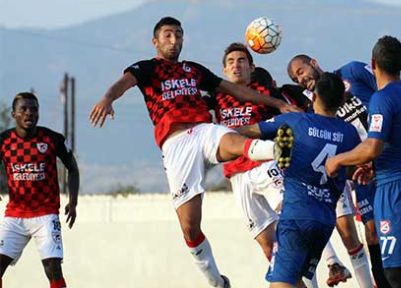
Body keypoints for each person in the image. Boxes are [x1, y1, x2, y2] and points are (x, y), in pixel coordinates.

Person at [89, 17, 295, 288]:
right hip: (175, 145)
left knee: (230, 139)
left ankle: (276, 148)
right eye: (167, 35)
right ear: (156, 41)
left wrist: (277, 104)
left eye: (178, 35)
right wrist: (107, 98)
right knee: (190, 227)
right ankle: (217, 281)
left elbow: (235, 90)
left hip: (202, 129)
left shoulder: (193, 70)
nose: (174, 41)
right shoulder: (147, 68)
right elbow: (124, 83)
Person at [212, 42, 350, 287]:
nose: (237, 65)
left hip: (264, 164)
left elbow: (294, 109)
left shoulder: (265, 91)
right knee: (268, 243)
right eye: (231, 61)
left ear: (252, 67)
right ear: (224, 71)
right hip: (237, 176)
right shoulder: (216, 96)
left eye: (242, 60)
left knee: (291, 208)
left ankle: (332, 261)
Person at [325, 35, 401, 288]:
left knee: (395, 273)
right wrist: (378, 164)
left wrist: (338, 160)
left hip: (394, 190)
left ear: (373, 63)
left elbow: (372, 147)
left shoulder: (381, 99)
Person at [238, 72, 361, 288]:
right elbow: (349, 171)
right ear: (342, 101)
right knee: (295, 280)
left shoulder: (295, 122)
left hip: (296, 217)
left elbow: (251, 131)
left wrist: (218, 135)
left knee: (280, 283)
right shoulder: (350, 133)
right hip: (324, 221)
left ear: (313, 98)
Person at [287, 54, 382, 288]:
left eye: (300, 71)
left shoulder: (353, 71)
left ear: (314, 63)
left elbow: (384, 90)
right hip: (358, 169)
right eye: (295, 77)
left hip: (384, 157)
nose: (300, 79)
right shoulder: (315, 108)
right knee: (371, 233)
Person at [0, 92, 79, 288]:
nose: (29, 113)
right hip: (15, 216)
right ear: (14, 114)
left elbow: (73, 168)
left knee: (53, 268)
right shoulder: (4, 140)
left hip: (45, 215)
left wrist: (73, 201)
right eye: (23, 109)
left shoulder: (53, 139)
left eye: (34, 109)